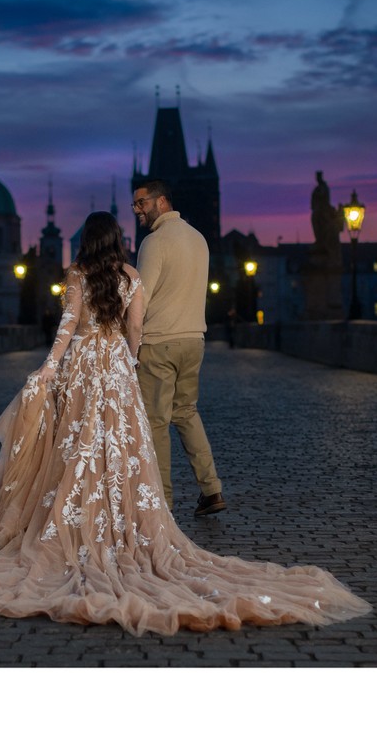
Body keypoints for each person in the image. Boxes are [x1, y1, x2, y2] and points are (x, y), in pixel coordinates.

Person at [0, 211, 371, 636]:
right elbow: (135, 329)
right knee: (122, 445)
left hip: (83, 366)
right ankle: (120, 518)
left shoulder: (76, 272)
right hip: (116, 367)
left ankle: (77, 516)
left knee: (78, 444)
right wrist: (128, 364)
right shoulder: (131, 275)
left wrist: (49, 366)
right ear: (116, 241)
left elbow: (68, 325)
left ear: (87, 242)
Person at [132, 180, 224, 516]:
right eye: (135, 206)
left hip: (160, 343)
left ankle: (162, 503)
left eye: (141, 203)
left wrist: (132, 343)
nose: (138, 211)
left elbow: (140, 299)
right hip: (194, 339)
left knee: (156, 423)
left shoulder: (154, 243)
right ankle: (211, 489)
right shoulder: (198, 238)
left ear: (161, 201)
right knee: (186, 413)